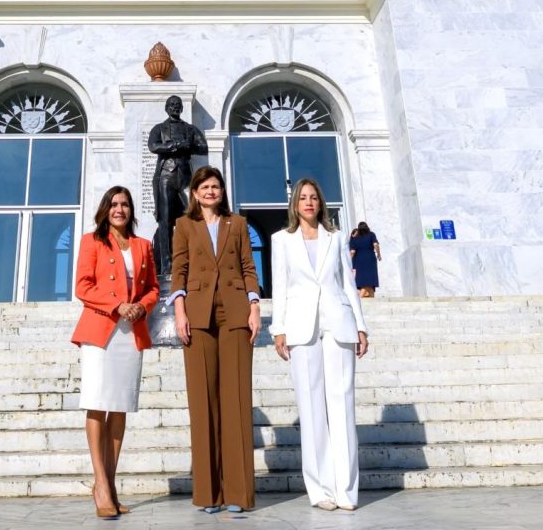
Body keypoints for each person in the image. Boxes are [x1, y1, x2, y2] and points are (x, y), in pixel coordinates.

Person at [270, 179, 369, 512]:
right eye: (303, 197)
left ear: (321, 203)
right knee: (311, 409)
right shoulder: (280, 240)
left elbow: (349, 283)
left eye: (314, 197)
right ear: (295, 204)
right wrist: (278, 329)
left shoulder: (337, 238)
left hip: (338, 324)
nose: (309, 202)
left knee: (342, 406)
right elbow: (280, 285)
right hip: (301, 327)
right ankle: (321, 489)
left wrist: (360, 325)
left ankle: (347, 490)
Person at [170, 166, 261, 513]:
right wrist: (179, 311)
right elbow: (179, 270)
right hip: (197, 314)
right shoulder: (183, 226)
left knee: (236, 399)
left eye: (216, 186)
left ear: (222, 191)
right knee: (203, 402)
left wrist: (254, 306)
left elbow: (248, 266)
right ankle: (208, 494)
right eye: (205, 186)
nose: (211, 191)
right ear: (194, 192)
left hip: (235, 311)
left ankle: (239, 494)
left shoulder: (236, 224)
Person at [72, 186, 160, 518]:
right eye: (113, 204)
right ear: (105, 209)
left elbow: (152, 287)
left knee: (119, 409)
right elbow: (82, 286)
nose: (119, 209)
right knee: (97, 405)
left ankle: (111, 481)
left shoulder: (143, 245)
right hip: (99, 331)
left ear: (131, 210)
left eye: (124, 204)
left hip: (130, 334)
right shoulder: (91, 241)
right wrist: (117, 305)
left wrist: (141, 306)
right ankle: (101, 486)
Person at [148, 95, 208, 276]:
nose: (175, 107)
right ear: (167, 108)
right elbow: (153, 146)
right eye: (172, 105)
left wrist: (187, 146)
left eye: (178, 105)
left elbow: (203, 147)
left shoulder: (190, 129)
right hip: (165, 176)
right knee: (165, 221)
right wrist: (174, 145)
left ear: (182, 108)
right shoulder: (159, 128)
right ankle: (167, 265)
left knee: (193, 218)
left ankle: (193, 262)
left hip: (185, 177)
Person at [349, 221, 381, 298]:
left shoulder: (355, 238)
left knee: (362, 281)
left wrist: (348, 262)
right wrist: (379, 254)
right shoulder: (371, 234)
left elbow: (352, 252)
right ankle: (359, 299)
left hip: (358, 261)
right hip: (370, 259)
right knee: (370, 281)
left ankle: (369, 299)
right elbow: (375, 244)